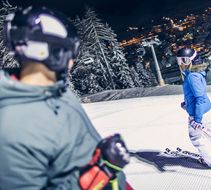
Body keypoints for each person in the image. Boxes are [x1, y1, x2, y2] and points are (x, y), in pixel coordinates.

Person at [0, 7, 132, 190]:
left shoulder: (58, 90)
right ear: (52, 53)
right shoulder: (13, 127)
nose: (72, 61)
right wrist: (102, 172)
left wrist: (108, 165)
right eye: (69, 52)